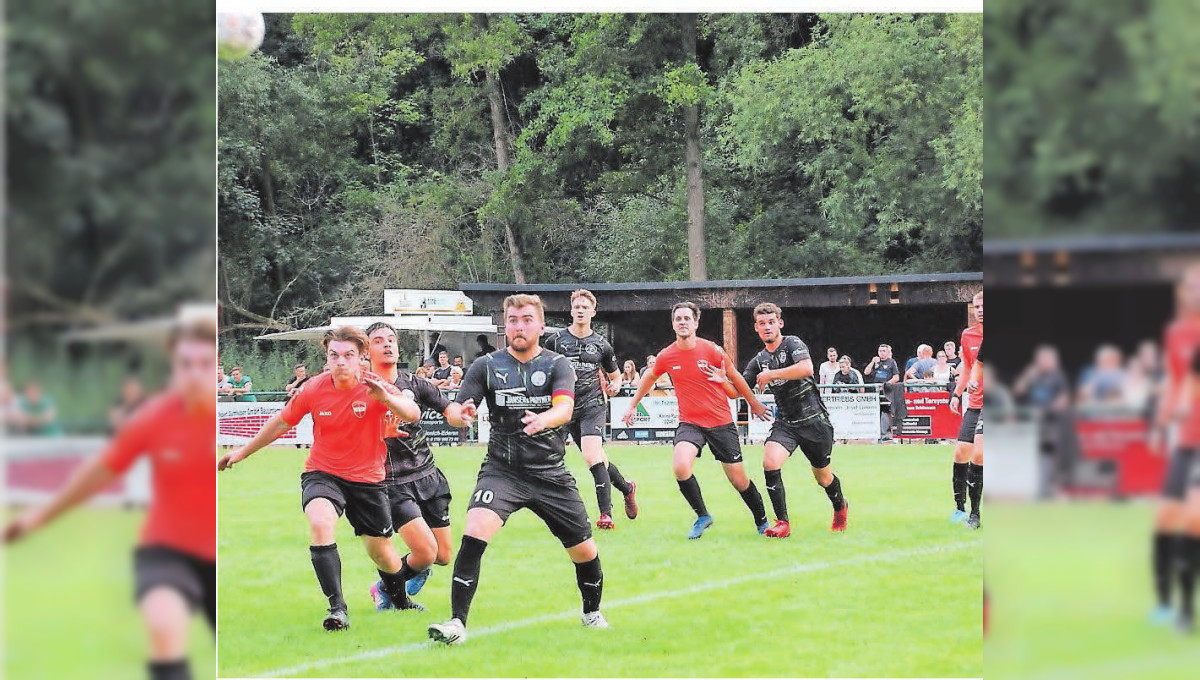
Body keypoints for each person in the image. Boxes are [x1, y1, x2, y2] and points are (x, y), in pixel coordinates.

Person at [6, 316, 217, 680]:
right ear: (173, 367)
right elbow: (99, 472)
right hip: (166, 547)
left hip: (216, 554)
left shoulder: (218, 419)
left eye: (205, 364)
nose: (194, 373)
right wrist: (39, 516)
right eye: (185, 364)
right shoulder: (155, 417)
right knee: (163, 623)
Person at [427, 294, 607, 645]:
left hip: (551, 473)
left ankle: (591, 613)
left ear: (541, 326)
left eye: (526, 319)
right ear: (505, 325)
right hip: (503, 471)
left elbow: (565, 410)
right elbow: (457, 409)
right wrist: (458, 414)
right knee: (475, 530)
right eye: (512, 320)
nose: (519, 326)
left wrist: (545, 419)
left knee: (584, 551)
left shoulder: (558, 365)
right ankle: (456, 624)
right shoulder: (486, 366)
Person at [218, 326, 423, 631]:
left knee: (382, 552)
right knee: (320, 521)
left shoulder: (374, 385)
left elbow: (413, 412)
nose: (340, 361)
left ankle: (401, 600)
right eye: (334, 355)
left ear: (361, 358)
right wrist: (242, 452)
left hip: (368, 480)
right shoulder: (314, 388)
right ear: (326, 358)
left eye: (348, 355)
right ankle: (337, 608)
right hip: (323, 472)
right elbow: (280, 422)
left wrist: (386, 399)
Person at [622, 302, 769, 540]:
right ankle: (702, 515)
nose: (682, 322)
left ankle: (762, 521)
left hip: (721, 422)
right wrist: (632, 405)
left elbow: (736, 379)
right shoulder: (667, 355)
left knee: (739, 480)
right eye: (678, 318)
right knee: (680, 466)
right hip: (690, 423)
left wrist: (754, 404)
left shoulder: (712, 350)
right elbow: (649, 377)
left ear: (696, 323)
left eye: (686, 318)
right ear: (673, 324)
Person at [363, 322, 475, 610]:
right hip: (391, 482)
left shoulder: (414, 383)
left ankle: (384, 585)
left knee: (443, 555)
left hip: (428, 476)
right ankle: (388, 591)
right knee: (425, 552)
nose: (387, 345)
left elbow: (447, 409)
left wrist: (460, 415)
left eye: (391, 339)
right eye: (378, 341)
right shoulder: (360, 388)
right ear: (367, 350)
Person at [743, 303, 848, 538]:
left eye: (771, 322)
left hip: (814, 421)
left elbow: (806, 368)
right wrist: (722, 379)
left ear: (780, 323)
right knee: (770, 462)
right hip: (786, 423)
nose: (767, 327)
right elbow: (737, 388)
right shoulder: (759, 360)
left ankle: (840, 506)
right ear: (756, 328)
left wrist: (772, 374)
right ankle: (782, 523)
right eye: (762, 324)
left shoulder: (793, 343)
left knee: (823, 477)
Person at [543, 289, 638, 530]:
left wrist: (615, 386)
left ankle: (606, 515)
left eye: (585, 307)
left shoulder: (601, 344)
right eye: (577, 307)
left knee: (591, 455)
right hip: (563, 406)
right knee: (554, 456)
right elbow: (544, 369)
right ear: (571, 310)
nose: (581, 310)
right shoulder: (555, 341)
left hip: (592, 404)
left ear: (593, 312)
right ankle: (627, 488)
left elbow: (615, 377)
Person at [1149, 265, 1200, 632]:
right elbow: (1175, 382)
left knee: (1193, 520)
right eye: (1191, 286)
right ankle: (1166, 605)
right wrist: (1162, 421)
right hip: (1185, 441)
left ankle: (1185, 611)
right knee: (1165, 519)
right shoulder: (1177, 334)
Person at [949, 290, 984, 528]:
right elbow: (968, 367)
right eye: (976, 307)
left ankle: (975, 514)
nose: (980, 310)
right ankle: (960, 509)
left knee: (979, 455)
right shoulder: (968, 335)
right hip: (974, 403)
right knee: (961, 453)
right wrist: (957, 392)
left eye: (984, 306)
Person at [863, 344, 903, 437]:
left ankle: (893, 434)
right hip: (875, 392)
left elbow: (896, 377)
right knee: (875, 412)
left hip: (887, 392)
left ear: (888, 352)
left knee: (889, 412)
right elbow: (866, 372)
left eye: (884, 351)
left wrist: (886, 385)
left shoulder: (891, 362)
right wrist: (872, 362)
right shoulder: (876, 362)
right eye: (880, 351)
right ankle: (876, 435)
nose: (881, 353)